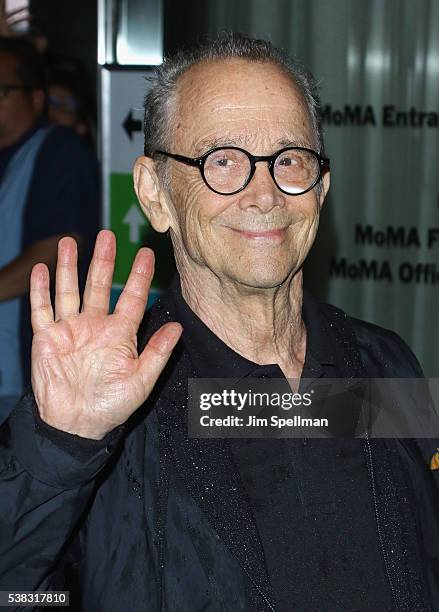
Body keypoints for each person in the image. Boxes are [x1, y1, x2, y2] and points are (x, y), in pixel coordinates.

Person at [1, 33, 439, 611]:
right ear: (155, 194)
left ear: (321, 188)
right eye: (223, 161)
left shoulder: (384, 363)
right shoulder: (115, 405)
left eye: (290, 160)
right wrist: (59, 451)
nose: (264, 194)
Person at [0, 37, 99, 421]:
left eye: (2, 91)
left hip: (23, 379)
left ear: (35, 99)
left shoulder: (58, 150)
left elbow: (58, 249)